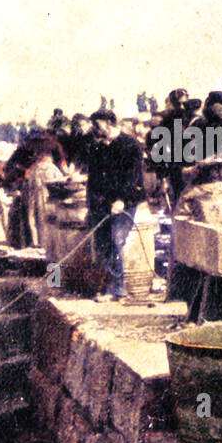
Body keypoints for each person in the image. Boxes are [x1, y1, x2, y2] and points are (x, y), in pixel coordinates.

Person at [85, 109, 146, 302]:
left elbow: (133, 177)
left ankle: (117, 290)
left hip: (124, 203)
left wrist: (121, 199)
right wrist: (92, 205)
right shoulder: (97, 147)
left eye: (98, 125)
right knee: (102, 244)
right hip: (102, 204)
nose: (95, 129)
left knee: (116, 241)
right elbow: (93, 179)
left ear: (111, 124)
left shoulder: (130, 145)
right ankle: (106, 287)